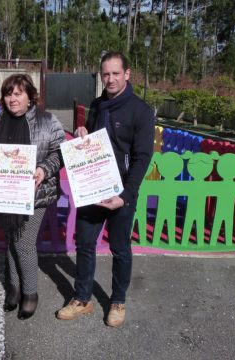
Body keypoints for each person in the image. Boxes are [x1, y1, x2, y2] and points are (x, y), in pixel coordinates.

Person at [56, 51, 155, 327]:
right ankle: (82, 298)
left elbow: (142, 157)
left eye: (115, 73)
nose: (110, 79)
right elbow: (90, 137)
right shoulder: (97, 105)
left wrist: (124, 196)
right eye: (105, 74)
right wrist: (82, 133)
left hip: (120, 193)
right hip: (93, 189)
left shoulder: (141, 111)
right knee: (85, 245)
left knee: (121, 248)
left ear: (127, 74)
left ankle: (118, 300)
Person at [0, 74, 65, 320]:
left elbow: (61, 151)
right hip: (4, 194)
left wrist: (44, 169)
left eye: (18, 94)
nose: (12, 99)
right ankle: (13, 288)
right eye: (8, 94)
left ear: (30, 97)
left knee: (24, 243)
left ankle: (30, 293)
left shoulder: (48, 121)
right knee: (11, 240)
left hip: (35, 195)